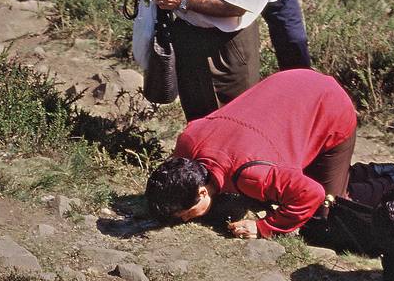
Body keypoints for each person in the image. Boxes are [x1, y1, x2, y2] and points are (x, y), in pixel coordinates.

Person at [144, 69, 357, 238]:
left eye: (185, 215)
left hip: (329, 104)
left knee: (326, 217)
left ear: (202, 193)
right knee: (292, 177)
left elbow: (311, 194)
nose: (185, 221)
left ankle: (377, 184)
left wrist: (265, 227)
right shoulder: (187, 143)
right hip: (289, 82)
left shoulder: (254, 175)